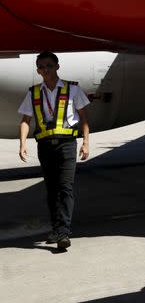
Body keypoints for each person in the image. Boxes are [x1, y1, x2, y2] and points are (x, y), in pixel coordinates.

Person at [17, 52, 91, 250]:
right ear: (38, 71)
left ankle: (64, 232)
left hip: (67, 144)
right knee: (52, 190)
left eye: (49, 65)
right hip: (45, 146)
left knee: (65, 188)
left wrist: (86, 142)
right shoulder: (33, 93)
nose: (45, 70)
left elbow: (84, 118)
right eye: (41, 67)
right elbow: (25, 120)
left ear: (57, 66)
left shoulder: (72, 89)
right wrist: (22, 144)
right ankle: (57, 229)